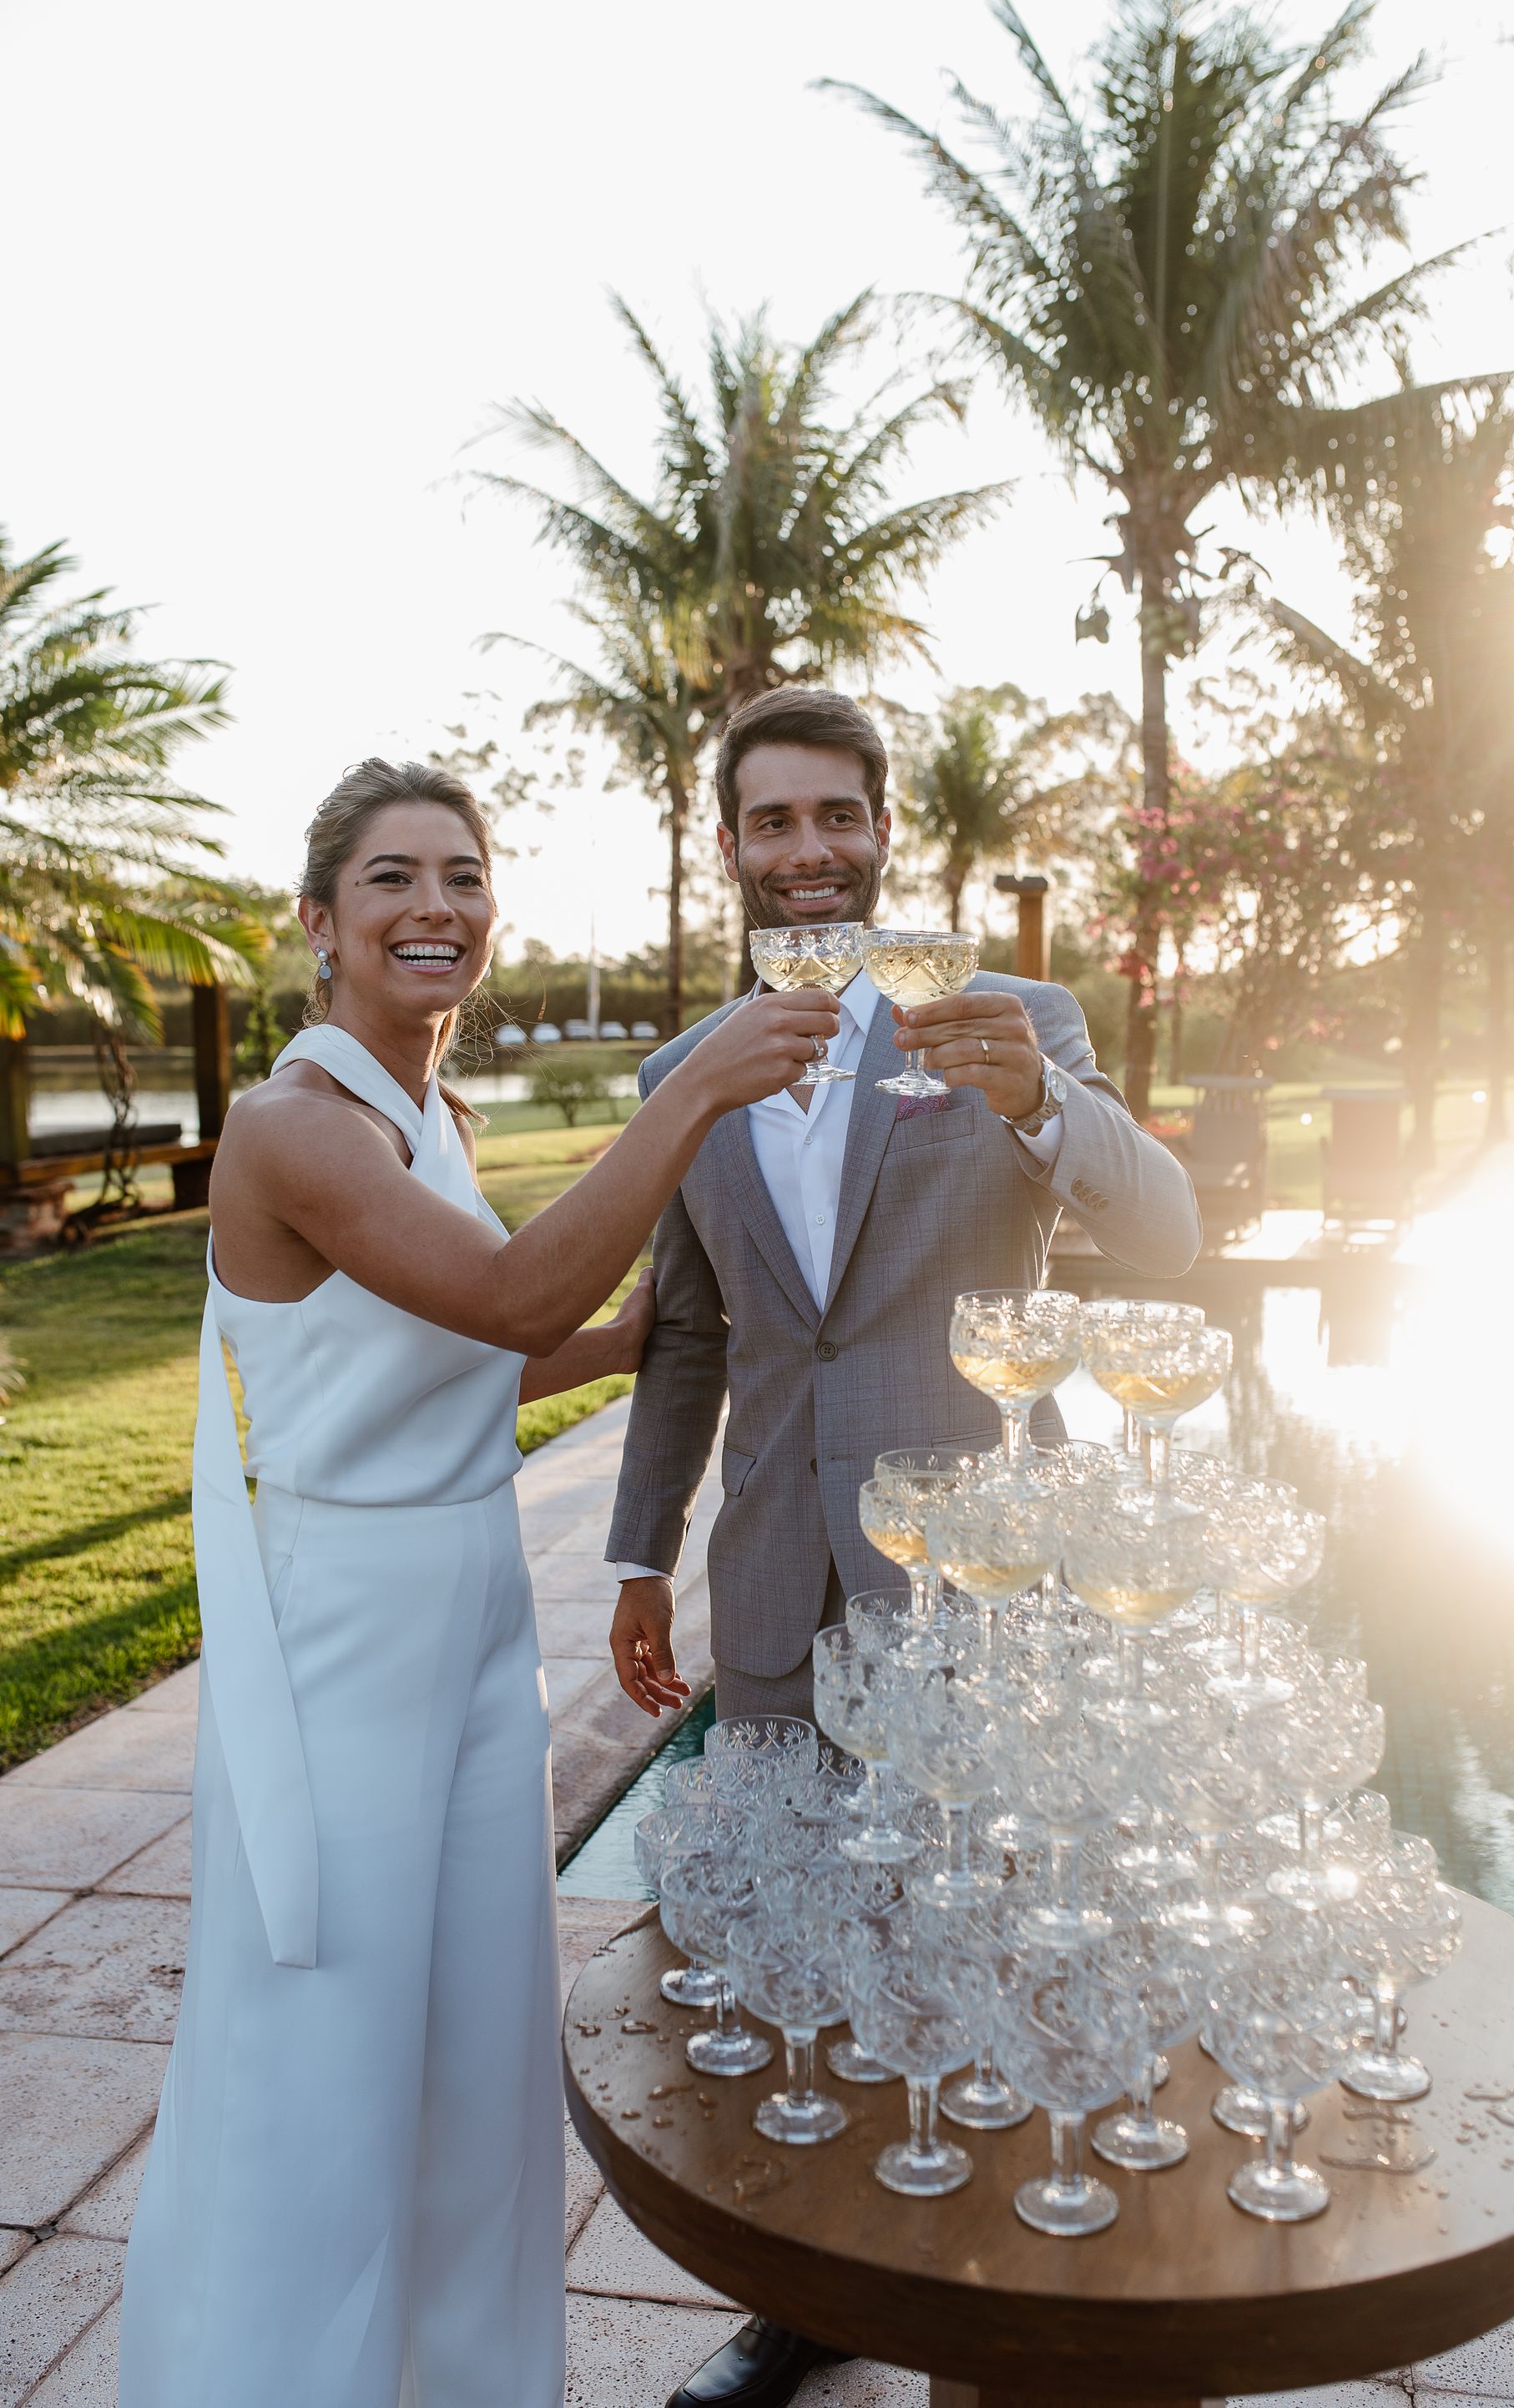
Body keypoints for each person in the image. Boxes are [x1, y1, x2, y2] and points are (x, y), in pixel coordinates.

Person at [118, 757, 840, 2408]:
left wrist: (654, 1336)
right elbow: (514, 1299)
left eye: (461, 874)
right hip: (343, 1631)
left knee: (468, 2048)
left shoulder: (430, 1116)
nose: (434, 905)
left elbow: (462, 1363)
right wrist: (698, 1088)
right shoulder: (292, 1126)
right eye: (390, 879)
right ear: (321, 923)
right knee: (329, 2053)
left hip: (467, 1622)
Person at [603, 688, 1201, 2408]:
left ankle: (992, 2308)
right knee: (809, 1955)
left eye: (834, 818)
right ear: (732, 849)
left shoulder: (1011, 1021)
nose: (807, 854)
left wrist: (1035, 1113)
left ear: (882, 831)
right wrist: (642, 1548)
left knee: (990, 1940)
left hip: (986, 1582)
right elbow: (694, 1337)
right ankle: (813, 2306)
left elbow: (1161, 1239)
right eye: (771, 825)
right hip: (779, 1569)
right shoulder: (680, 1078)